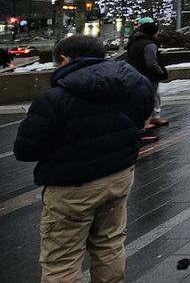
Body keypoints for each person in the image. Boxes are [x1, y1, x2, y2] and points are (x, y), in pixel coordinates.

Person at [14, 35, 153, 282]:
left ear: (65, 60)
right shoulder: (134, 83)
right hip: (119, 174)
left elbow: (25, 150)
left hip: (71, 187)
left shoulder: (54, 100)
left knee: (62, 259)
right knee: (109, 243)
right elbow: (143, 114)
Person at [126, 17, 169, 129]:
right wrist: (160, 72)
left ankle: (152, 117)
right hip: (148, 76)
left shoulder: (134, 40)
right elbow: (151, 63)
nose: (159, 33)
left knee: (153, 96)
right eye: (157, 31)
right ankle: (145, 121)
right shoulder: (149, 44)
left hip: (136, 73)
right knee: (148, 97)